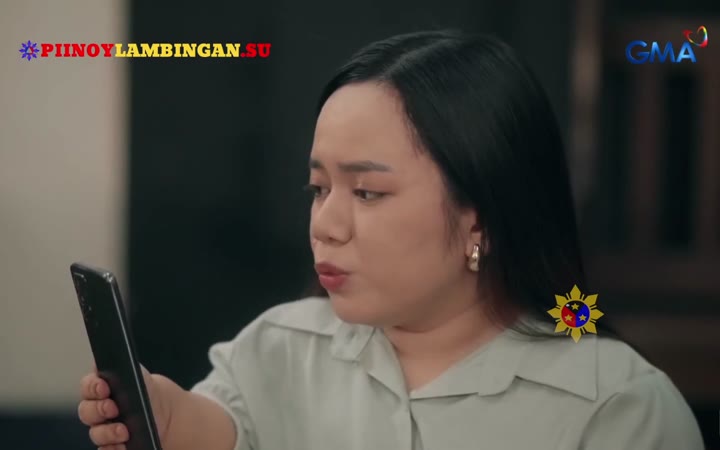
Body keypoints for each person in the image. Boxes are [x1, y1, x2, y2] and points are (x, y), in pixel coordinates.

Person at [77, 29, 704, 450]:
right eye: (319, 188)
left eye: (368, 192)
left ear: (480, 218)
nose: (325, 224)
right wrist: (162, 415)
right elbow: (219, 428)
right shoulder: (282, 346)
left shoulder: (616, 407)